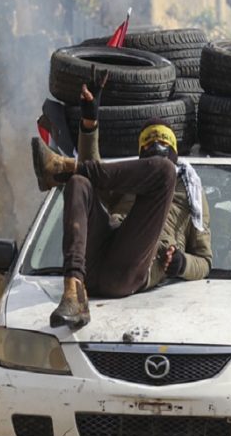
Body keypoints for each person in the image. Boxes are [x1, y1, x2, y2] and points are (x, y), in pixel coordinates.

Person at [30, 69, 212, 328]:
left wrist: (182, 264)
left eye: (162, 139)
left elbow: (205, 260)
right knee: (80, 182)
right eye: (148, 140)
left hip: (130, 270)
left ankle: (62, 168)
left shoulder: (190, 190)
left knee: (163, 172)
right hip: (94, 265)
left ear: (175, 149)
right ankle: (73, 292)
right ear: (139, 152)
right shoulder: (127, 179)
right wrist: (90, 121)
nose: (155, 144)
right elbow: (96, 173)